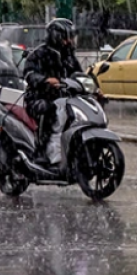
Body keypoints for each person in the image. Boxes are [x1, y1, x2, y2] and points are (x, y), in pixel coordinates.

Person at [23, 18, 82, 165]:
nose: (70, 41)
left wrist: (93, 86)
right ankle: (40, 151)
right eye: (67, 37)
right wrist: (45, 80)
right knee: (48, 110)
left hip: (65, 99)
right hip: (39, 97)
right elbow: (29, 73)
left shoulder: (70, 57)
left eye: (71, 37)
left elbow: (80, 74)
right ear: (57, 37)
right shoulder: (39, 54)